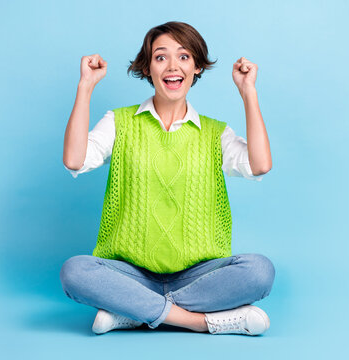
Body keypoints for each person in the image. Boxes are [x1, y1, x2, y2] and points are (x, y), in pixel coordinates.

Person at [60, 21, 275, 336]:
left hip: (198, 275)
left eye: (184, 56)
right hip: (131, 273)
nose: (173, 66)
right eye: (161, 57)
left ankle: (133, 311)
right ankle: (200, 322)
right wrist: (85, 87)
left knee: (259, 271)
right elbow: (74, 159)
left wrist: (248, 93)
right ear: (147, 68)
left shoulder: (215, 133)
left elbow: (260, 165)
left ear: (197, 67)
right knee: (75, 271)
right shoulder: (120, 123)